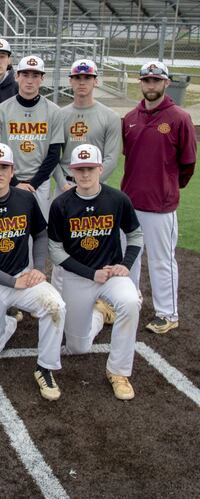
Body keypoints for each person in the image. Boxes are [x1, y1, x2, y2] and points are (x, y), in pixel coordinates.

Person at [0, 143, 65, 401]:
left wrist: (39, 269)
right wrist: (11, 282)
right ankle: (9, 320)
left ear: (12, 170)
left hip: (23, 277)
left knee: (55, 306)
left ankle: (46, 368)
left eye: (3, 167)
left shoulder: (26, 198)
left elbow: (40, 233)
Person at [48, 144, 143, 400]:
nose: (85, 174)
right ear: (72, 171)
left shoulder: (117, 199)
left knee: (131, 301)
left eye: (90, 168)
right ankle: (100, 314)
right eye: (80, 169)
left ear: (100, 169)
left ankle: (119, 372)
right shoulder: (61, 204)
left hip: (111, 275)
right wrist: (91, 274)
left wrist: (126, 263)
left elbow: (135, 234)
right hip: (78, 277)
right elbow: (56, 252)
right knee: (78, 348)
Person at [122, 61, 196, 334]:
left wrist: (168, 188)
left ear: (167, 83)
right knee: (130, 258)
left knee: (161, 260)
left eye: (156, 80)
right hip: (130, 202)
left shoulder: (179, 118)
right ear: (140, 83)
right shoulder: (130, 117)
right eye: (146, 80)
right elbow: (130, 157)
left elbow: (188, 163)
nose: (151, 85)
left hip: (160, 206)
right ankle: (130, 303)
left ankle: (168, 313)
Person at [0, 55, 64, 220]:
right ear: (16, 76)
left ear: (42, 78)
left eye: (35, 75)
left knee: (39, 232)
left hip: (40, 183)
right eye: (25, 75)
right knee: (10, 231)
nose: (30, 80)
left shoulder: (54, 111)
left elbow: (54, 154)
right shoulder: (2, 109)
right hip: (8, 181)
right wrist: (15, 182)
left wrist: (33, 184)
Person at [54, 59, 121, 194]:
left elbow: (111, 158)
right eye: (77, 77)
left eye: (87, 77)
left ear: (96, 81)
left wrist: (90, 183)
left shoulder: (110, 116)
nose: (82, 82)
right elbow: (52, 156)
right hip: (66, 186)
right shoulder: (59, 115)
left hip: (96, 186)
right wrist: (63, 184)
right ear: (70, 81)